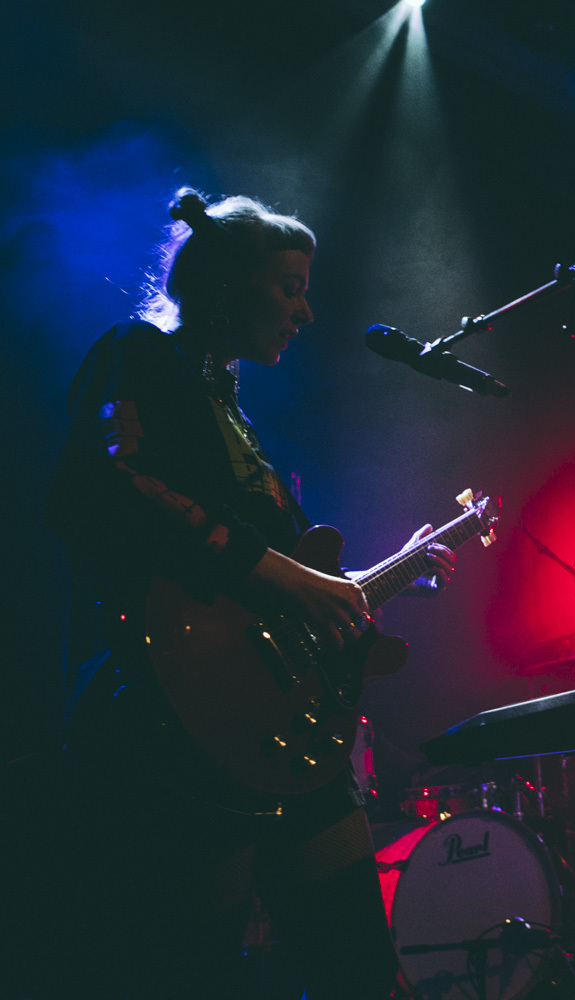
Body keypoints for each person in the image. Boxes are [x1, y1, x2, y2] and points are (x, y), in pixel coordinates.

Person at [44, 188, 457, 998]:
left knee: (359, 969)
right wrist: (278, 572)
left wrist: (388, 572)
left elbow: (290, 587)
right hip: (180, 720)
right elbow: (97, 487)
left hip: (281, 730)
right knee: (192, 969)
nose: (303, 310)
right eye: (289, 285)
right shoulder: (138, 352)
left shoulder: (231, 411)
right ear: (226, 282)